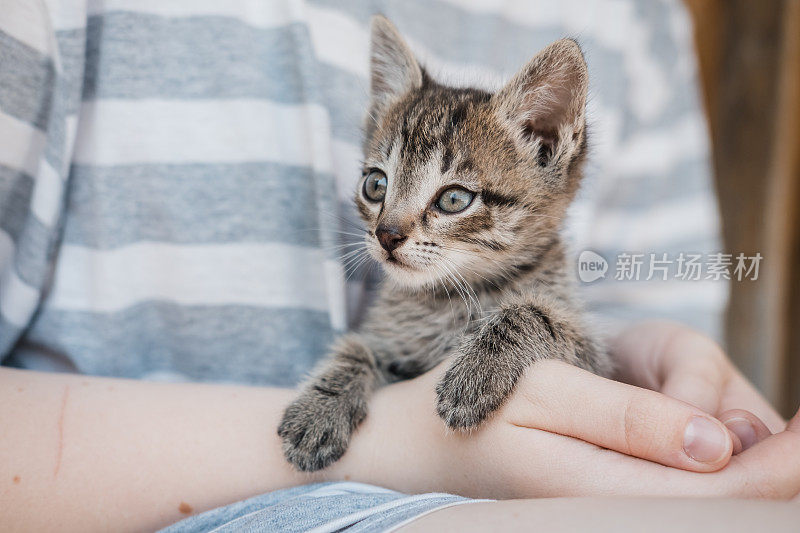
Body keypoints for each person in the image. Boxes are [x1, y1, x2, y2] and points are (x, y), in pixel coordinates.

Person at [1, 1, 797, 531]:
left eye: (448, 199)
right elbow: (379, 356)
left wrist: (651, 348)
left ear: (549, 148)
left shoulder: (633, 17)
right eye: (379, 187)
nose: (389, 229)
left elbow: (585, 359)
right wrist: (366, 406)